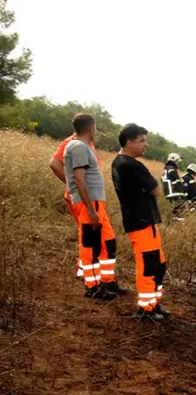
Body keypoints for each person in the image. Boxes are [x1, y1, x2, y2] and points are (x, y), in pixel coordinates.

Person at [111, 124, 170, 321]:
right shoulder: (129, 164)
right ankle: (146, 309)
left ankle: (154, 303)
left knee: (158, 263)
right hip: (140, 220)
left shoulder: (120, 163)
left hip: (144, 220)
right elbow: (155, 189)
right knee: (148, 263)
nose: (146, 145)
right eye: (142, 140)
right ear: (129, 141)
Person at [62, 113, 124, 300]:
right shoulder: (78, 147)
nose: (95, 131)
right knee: (90, 244)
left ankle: (106, 281)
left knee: (108, 240)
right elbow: (79, 180)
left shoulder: (82, 146)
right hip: (90, 205)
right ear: (90, 127)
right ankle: (93, 286)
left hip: (97, 204)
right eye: (95, 127)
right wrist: (90, 210)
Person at [49, 128, 101, 281]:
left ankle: (84, 268)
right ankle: (85, 271)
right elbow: (54, 163)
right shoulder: (72, 142)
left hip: (88, 197)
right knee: (87, 233)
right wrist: (72, 185)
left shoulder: (86, 144)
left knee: (88, 233)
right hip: (81, 197)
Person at [162, 152, 188, 217]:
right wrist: (183, 192)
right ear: (173, 160)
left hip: (169, 192)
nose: (177, 163)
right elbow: (177, 182)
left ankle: (174, 222)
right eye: (177, 161)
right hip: (174, 193)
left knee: (175, 211)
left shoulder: (167, 168)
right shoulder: (172, 169)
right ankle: (178, 223)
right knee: (179, 211)